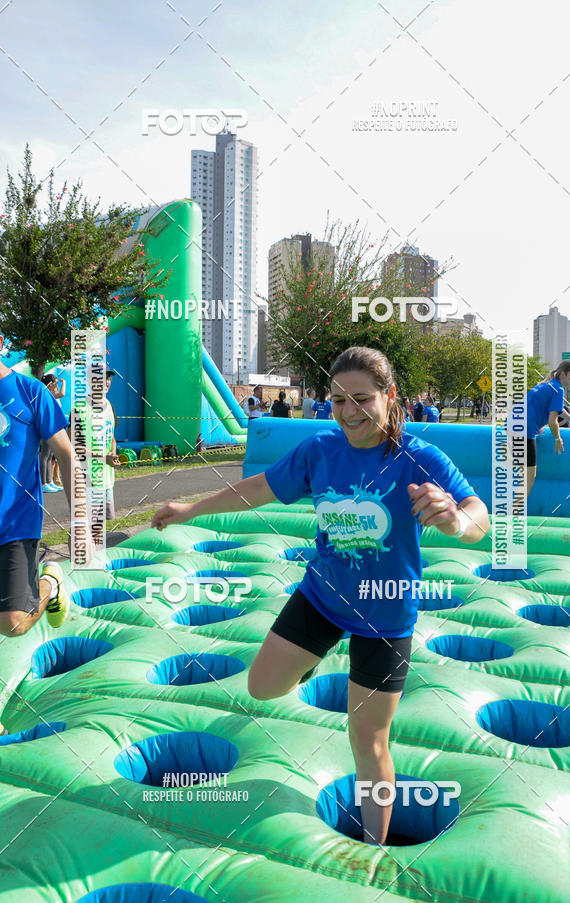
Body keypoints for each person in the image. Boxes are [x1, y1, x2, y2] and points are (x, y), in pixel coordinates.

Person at [151, 345, 489, 846]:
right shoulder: (319, 450)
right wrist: (191, 508)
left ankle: (375, 845)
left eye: (361, 399)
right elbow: (258, 488)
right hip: (322, 597)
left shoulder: (418, 458)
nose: (350, 412)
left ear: (389, 396)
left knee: (368, 741)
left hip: (386, 615)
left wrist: (459, 521)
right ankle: (314, 657)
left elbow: (477, 514)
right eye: (337, 401)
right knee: (262, 687)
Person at [0, 332, 90, 638]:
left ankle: (50, 582)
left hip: (16, 522)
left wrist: (80, 522)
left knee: (13, 622)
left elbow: (66, 458)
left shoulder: (31, 392)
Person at [68, 368, 120, 520]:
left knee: (103, 526)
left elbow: (112, 438)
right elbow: (73, 445)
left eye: (109, 378)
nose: (107, 382)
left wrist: (112, 453)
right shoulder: (79, 408)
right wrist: (103, 457)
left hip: (107, 480)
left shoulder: (109, 405)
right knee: (85, 526)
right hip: (87, 480)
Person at [526, 359, 570, 497]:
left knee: (520, 476)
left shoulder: (548, 385)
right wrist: (557, 438)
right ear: (563, 374)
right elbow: (552, 421)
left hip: (511, 427)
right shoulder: (558, 389)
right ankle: (513, 513)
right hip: (524, 433)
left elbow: (559, 410)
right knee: (529, 478)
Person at [40, 373, 66, 492]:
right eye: (55, 383)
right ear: (50, 384)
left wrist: (62, 383)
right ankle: (43, 482)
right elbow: (61, 393)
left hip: (53, 428)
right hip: (47, 428)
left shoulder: (52, 394)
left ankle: (49, 481)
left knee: (50, 456)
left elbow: (61, 394)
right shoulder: (46, 393)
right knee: (45, 456)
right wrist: (61, 383)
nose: (57, 385)